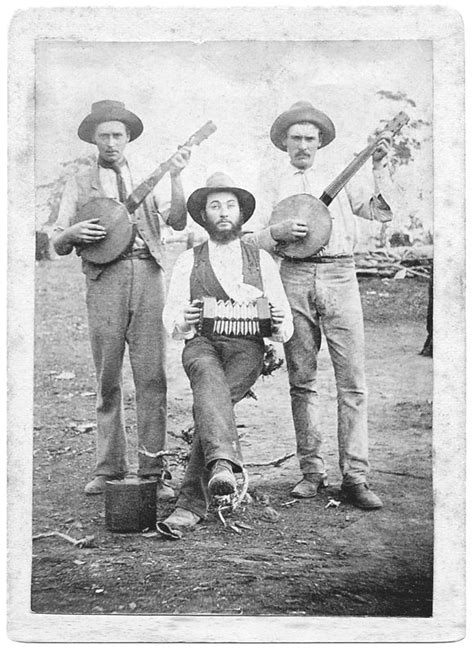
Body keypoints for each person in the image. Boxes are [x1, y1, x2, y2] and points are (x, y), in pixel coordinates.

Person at [243, 100, 394, 509]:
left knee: (352, 380)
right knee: (302, 378)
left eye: (311, 139)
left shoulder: (343, 175)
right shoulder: (272, 179)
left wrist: (379, 167)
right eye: (296, 138)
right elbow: (251, 237)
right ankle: (311, 472)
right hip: (292, 275)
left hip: (340, 274)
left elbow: (381, 213)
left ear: (321, 142)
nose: (303, 146)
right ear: (284, 143)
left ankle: (356, 477)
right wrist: (277, 230)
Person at [52, 100, 190, 497]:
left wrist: (178, 178)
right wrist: (75, 232)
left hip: (148, 274)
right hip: (104, 279)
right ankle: (109, 467)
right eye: (104, 135)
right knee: (107, 376)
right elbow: (58, 239)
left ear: (128, 138)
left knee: (152, 376)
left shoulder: (149, 177)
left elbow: (178, 221)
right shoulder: (79, 182)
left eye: (118, 135)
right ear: (94, 139)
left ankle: (153, 471)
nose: (111, 142)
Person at [157, 173, 293, 538]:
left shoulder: (262, 259)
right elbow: (171, 316)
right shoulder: (189, 259)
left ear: (241, 214)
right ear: (203, 215)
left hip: (247, 349)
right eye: (214, 206)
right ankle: (213, 475)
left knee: (210, 403)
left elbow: (284, 323)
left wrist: (278, 321)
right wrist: (183, 319)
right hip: (203, 343)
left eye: (230, 205)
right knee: (205, 376)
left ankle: (197, 496)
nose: (223, 212)